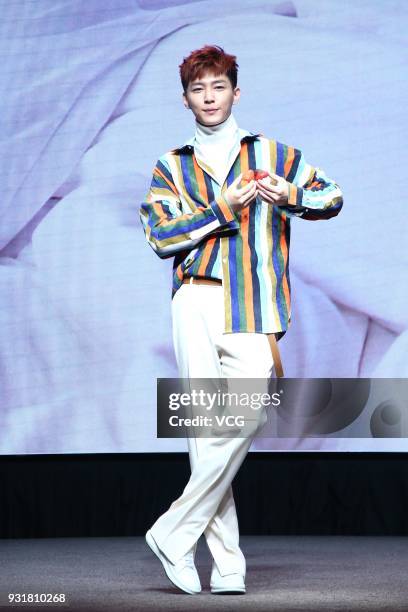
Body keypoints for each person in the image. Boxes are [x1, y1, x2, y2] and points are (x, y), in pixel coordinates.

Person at [140, 44, 343, 595]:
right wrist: (224, 208)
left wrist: (291, 192)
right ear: (185, 99)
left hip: (253, 303)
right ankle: (227, 568)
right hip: (197, 299)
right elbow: (161, 235)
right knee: (207, 434)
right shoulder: (172, 165)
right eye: (198, 89)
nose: (209, 97)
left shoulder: (273, 153)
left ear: (236, 90)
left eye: (218, 86)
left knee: (247, 415)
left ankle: (173, 531)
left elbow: (333, 196)